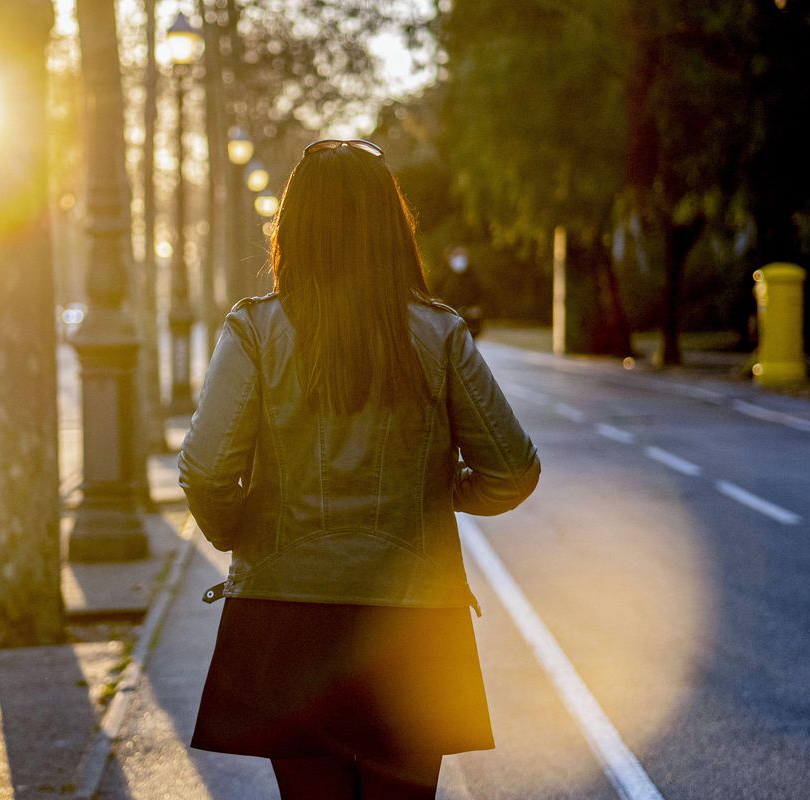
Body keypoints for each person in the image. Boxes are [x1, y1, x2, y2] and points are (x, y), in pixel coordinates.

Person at [179, 138, 541, 799]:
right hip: (411, 626)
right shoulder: (440, 332)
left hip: (286, 622)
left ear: (293, 226)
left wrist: (242, 531)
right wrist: (437, 491)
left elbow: (205, 470)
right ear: (391, 226)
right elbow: (512, 470)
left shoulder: (256, 331)